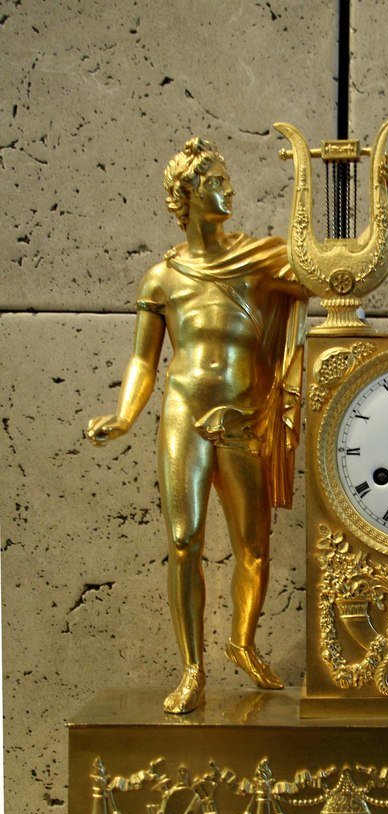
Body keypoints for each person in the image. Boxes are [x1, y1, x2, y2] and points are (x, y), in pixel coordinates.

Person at [87, 137, 309, 714]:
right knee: (185, 541)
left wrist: (373, 196)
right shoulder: (161, 278)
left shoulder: (261, 259)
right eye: (215, 182)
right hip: (184, 413)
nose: (228, 190)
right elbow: (144, 360)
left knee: (253, 546)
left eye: (226, 179)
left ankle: (243, 643)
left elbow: (330, 275)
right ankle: (192, 670)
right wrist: (125, 414)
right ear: (186, 194)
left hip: (242, 415)